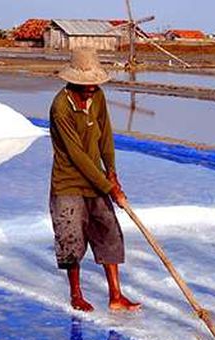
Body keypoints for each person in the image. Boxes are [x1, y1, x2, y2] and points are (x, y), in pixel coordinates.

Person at [48, 48, 141, 313]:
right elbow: (77, 155)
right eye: (85, 84)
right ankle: (76, 295)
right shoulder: (61, 107)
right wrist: (109, 187)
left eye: (94, 83)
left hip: (97, 180)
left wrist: (111, 171)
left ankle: (116, 296)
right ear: (73, 81)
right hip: (68, 183)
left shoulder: (97, 97)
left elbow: (105, 137)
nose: (91, 88)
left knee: (109, 232)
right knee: (71, 240)